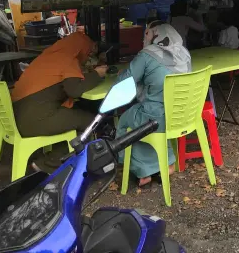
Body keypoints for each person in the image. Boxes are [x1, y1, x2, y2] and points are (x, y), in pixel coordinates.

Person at [115, 21, 191, 187]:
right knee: (145, 117)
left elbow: (124, 82)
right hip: (181, 116)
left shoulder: (147, 54)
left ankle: (140, 172)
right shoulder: (184, 53)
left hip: (155, 119)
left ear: (153, 34)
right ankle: (168, 164)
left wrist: (124, 72)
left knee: (125, 121)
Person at [11, 32, 107, 137]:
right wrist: (97, 74)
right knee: (91, 120)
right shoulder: (68, 58)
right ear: (82, 49)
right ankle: (100, 146)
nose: (89, 56)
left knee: (78, 110)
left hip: (18, 118)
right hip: (36, 120)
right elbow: (74, 90)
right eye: (89, 52)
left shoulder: (51, 55)